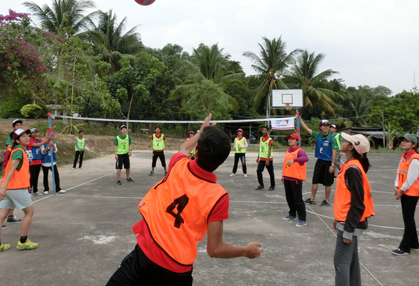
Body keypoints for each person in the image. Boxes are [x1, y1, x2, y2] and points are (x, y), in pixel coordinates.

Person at [106, 114, 262, 285]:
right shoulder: (218, 195)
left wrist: (201, 131)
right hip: (176, 270)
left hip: (145, 254)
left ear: (196, 152)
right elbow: (215, 249)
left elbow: (183, 148)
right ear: (221, 161)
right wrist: (244, 251)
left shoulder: (178, 165)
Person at [333, 133, 374, 286]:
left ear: (351, 147)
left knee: (340, 263)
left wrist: (348, 229)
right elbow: (346, 199)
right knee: (351, 261)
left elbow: (358, 203)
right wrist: (338, 220)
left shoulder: (353, 169)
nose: (342, 141)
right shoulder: (351, 166)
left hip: (349, 223)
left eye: (345, 141)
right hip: (346, 221)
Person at [0, 128, 38, 254]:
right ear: (16, 141)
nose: (27, 138)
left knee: (0, 217)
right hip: (16, 188)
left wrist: (7, 188)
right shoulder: (18, 151)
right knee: (29, 212)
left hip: (11, 189)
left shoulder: (20, 150)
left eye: (27, 136)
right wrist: (4, 187)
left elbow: (18, 171)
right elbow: (11, 170)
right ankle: (23, 241)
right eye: (23, 137)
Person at [392, 134, 419, 256]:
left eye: (406, 141)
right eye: (402, 141)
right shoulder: (404, 157)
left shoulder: (415, 159)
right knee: (409, 217)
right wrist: (396, 185)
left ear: (413, 144)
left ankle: (404, 248)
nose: (403, 143)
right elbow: (399, 172)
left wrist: (400, 190)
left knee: (408, 219)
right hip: (405, 190)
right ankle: (414, 243)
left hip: (412, 192)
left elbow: (411, 179)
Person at [298, 116, 339, 207]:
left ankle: (326, 200)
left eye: (327, 126)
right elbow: (307, 128)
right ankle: (312, 198)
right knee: (315, 180)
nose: (326, 127)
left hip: (328, 162)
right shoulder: (318, 135)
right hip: (319, 161)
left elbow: (334, 153)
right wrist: (300, 119)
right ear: (320, 127)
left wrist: (332, 165)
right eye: (324, 126)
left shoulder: (332, 139)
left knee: (327, 182)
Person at [281, 133, 309, 227]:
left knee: (298, 199)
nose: (290, 140)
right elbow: (285, 164)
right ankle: (292, 214)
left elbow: (306, 158)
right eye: (289, 139)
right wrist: (283, 175)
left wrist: (294, 160)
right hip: (287, 177)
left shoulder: (299, 151)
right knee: (289, 197)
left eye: (292, 139)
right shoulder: (288, 151)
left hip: (296, 178)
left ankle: (302, 219)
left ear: (297, 141)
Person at [1, 119, 25, 227]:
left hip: (17, 175)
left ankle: (10, 216)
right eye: (17, 125)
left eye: (21, 125)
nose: (19, 126)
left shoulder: (21, 145)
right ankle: (0, 221)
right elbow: (7, 163)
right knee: (6, 199)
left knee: (9, 200)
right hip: (11, 174)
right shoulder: (13, 150)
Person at [28, 128, 48, 196]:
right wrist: (43, 142)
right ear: (30, 134)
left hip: (38, 161)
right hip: (32, 161)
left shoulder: (37, 140)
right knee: (32, 176)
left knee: (36, 176)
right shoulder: (29, 141)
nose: (35, 134)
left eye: (36, 133)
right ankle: (29, 191)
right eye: (33, 133)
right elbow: (37, 145)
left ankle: (35, 190)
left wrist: (47, 134)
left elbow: (45, 139)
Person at [256, 126, 275, 190]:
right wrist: (258, 157)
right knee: (258, 171)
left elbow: (269, 150)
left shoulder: (270, 139)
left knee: (270, 172)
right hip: (262, 158)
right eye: (263, 130)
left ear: (268, 131)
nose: (264, 131)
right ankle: (261, 184)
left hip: (268, 159)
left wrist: (268, 160)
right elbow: (260, 148)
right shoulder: (261, 138)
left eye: (265, 130)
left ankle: (272, 185)